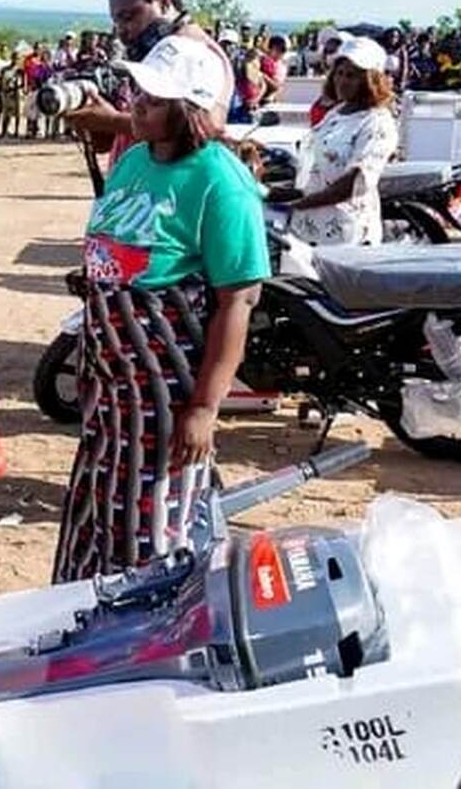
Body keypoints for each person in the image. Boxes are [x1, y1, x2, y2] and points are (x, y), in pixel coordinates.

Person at [53, 33, 268, 582]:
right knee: (96, 510)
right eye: (139, 89)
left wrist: (204, 409)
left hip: (164, 395)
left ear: (190, 109)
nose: (138, 101)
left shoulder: (221, 183)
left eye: (155, 96)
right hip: (111, 386)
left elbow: (237, 300)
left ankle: (139, 649)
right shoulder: (134, 162)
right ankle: (85, 622)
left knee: (151, 528)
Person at [63, 0, 234, 168]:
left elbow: (208, 128)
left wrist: (113, 120)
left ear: (164, 2)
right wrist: (90, 118)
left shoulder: (199, 52)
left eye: (129, 17)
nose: (122, 31)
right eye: (116, 21)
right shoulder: (152, 55)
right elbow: (112, 140)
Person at [269, 36, 398, 246]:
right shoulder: (337, 112)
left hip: (344, 235)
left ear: (370, 80)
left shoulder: (377, 122)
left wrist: (298, 204)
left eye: (352, 75)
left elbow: (354, 183)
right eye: (339, 73)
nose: (342, 81)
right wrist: (278, 194)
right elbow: (318, 173)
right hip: (309, 228)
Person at [259, 34, 289, 105]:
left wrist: (262, 76)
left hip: (268, 101)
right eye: (277, 49)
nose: (280, 53)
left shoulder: (281, 67)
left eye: (283, 50)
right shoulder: (262, 60)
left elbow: (276, 86)